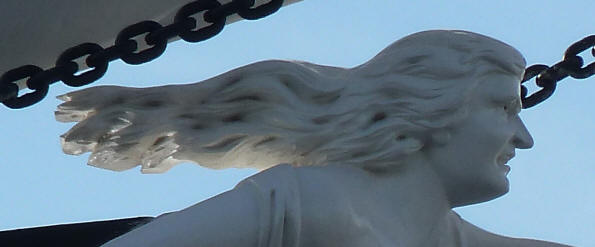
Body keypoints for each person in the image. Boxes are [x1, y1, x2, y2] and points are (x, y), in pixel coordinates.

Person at [57, 30, 570, 246]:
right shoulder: (310, 203)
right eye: (504, 108)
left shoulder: (450, 238)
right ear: (429, 109)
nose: (521, 138)